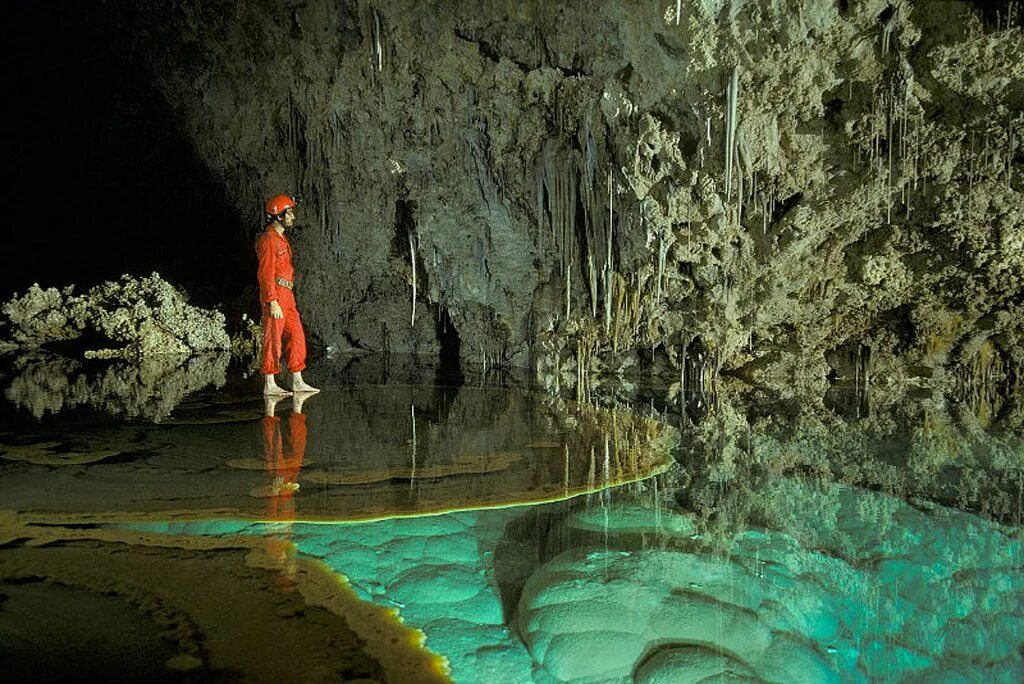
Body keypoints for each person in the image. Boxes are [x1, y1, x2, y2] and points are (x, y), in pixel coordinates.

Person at [256, 194, 319, 396]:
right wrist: (272, 301)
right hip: (276, 294)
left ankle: (297, 380)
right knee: (273, 337)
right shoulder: (268, 241)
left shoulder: (281, 239)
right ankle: (269, 382)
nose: (293, 216)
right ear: (279, 216)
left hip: (287, 294)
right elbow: (265, 273)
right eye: (289, 212)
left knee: (297, 335)